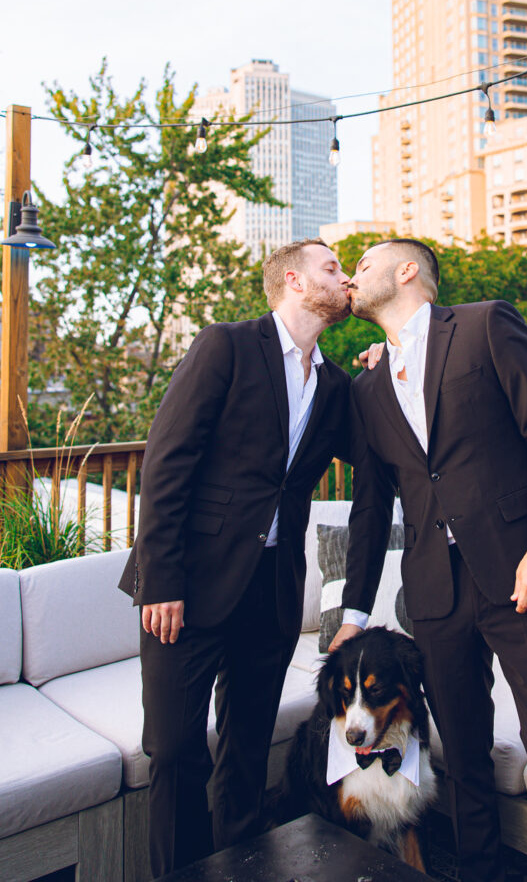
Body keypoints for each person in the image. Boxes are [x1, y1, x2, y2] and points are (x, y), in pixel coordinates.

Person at [331, 238, 527, 882]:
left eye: (362, 264)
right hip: (433, 592)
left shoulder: (485, 324)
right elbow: (372, 508)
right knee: (463, 756)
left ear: (406, 271)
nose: (350, 277)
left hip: (521, 574)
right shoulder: (368, 387)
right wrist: (353, 610)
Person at [118, 239, 388, 878]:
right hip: (184, 590)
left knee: (244, 757)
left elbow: (378, 451)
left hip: (269, 594)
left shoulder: (335, 386)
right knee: (177, 754)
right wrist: (161, 581)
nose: (345, 278)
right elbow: (166, 461)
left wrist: (389, 365)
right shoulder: (226, 346)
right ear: (293, 280)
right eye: (332, 268)